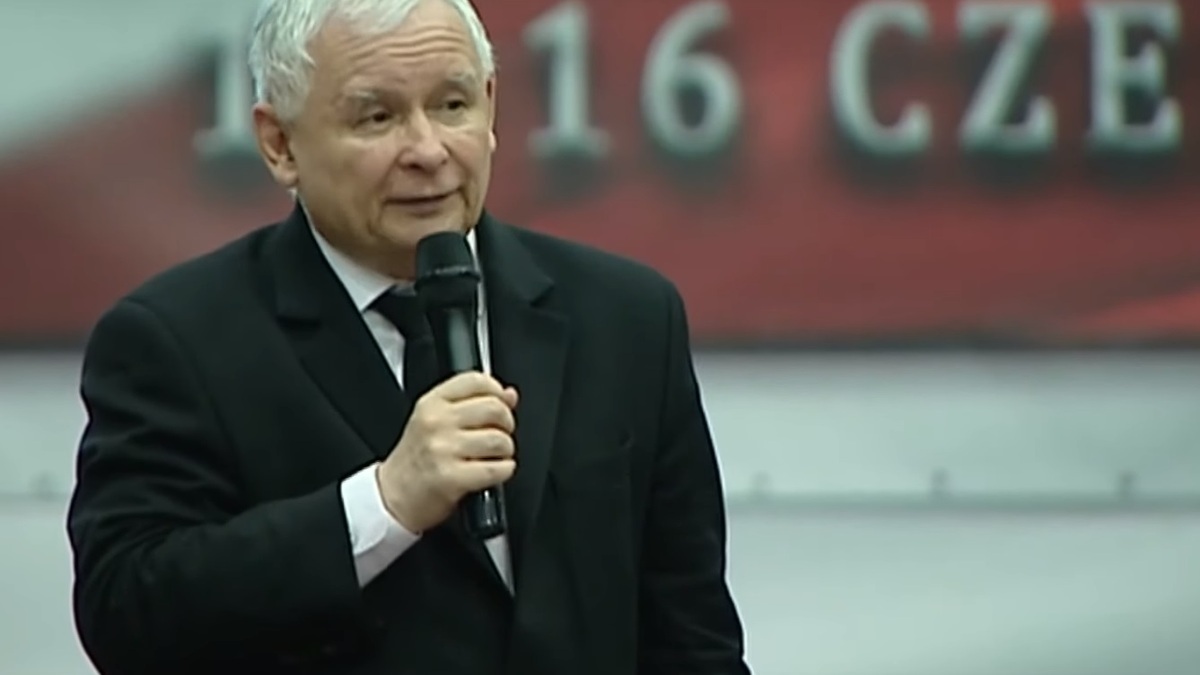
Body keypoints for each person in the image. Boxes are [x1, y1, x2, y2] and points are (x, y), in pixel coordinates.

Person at [65, 0, 751, 673]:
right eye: (377, 117)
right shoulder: (175, 341)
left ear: (490, 106)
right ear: (280, 144)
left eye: (452, 106)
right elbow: (127, 611)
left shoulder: (626, 317)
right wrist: (384, 502)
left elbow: (694, 639)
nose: (427, 150)